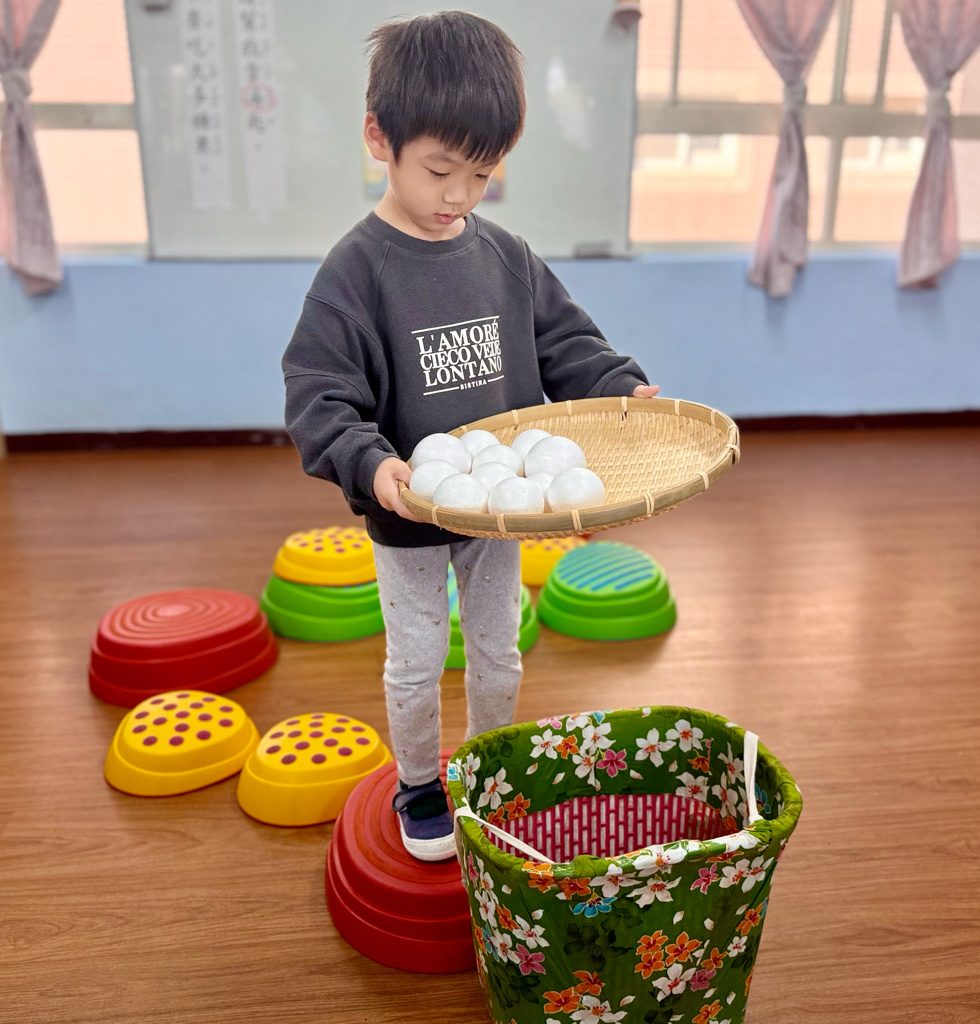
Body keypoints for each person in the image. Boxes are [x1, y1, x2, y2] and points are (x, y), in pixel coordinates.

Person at [282, 11, 658, 861]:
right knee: (416, 662)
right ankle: (420, 782)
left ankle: (491, 768)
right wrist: (371, 465)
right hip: (410, 514)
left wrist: (620, 388)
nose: (458, 195)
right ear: (380, 140)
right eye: (440, 170)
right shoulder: (355, 273)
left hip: (500, 514)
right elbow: (317, 396)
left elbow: (568, 343)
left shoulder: (506, 256)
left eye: (482, 174)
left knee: (499, 652)